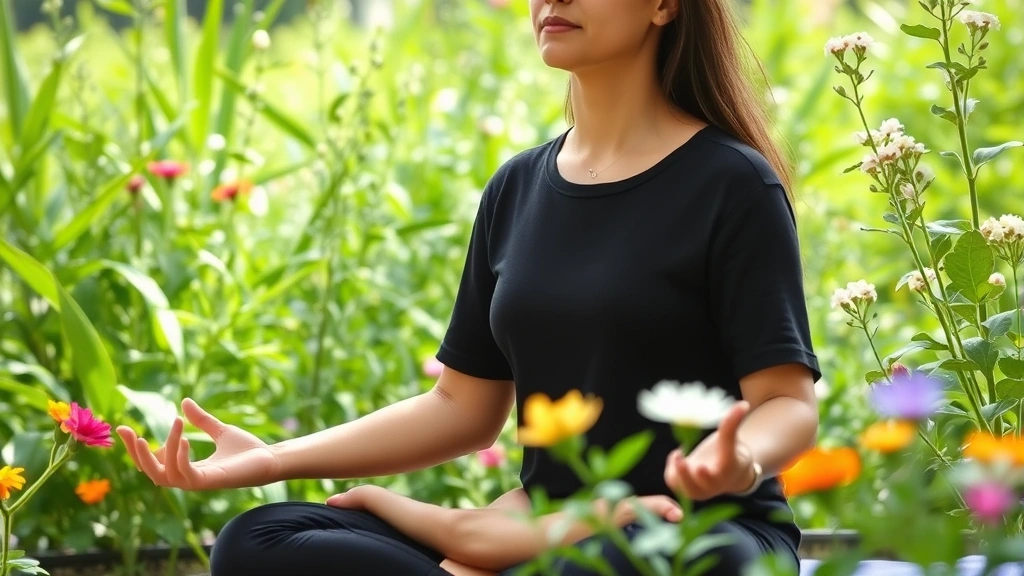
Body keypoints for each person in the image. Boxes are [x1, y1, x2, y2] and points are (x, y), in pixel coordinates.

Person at [117, 0, 822, 572]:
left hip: (688, 533)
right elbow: (462, 406)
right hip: (537, 531)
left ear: (665, 5)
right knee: (259, 544)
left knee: (654, 561)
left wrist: (737, 461)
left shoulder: (732, 185)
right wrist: (270, 459)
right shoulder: (517, 187)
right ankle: (484, 554)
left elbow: (788, 405)